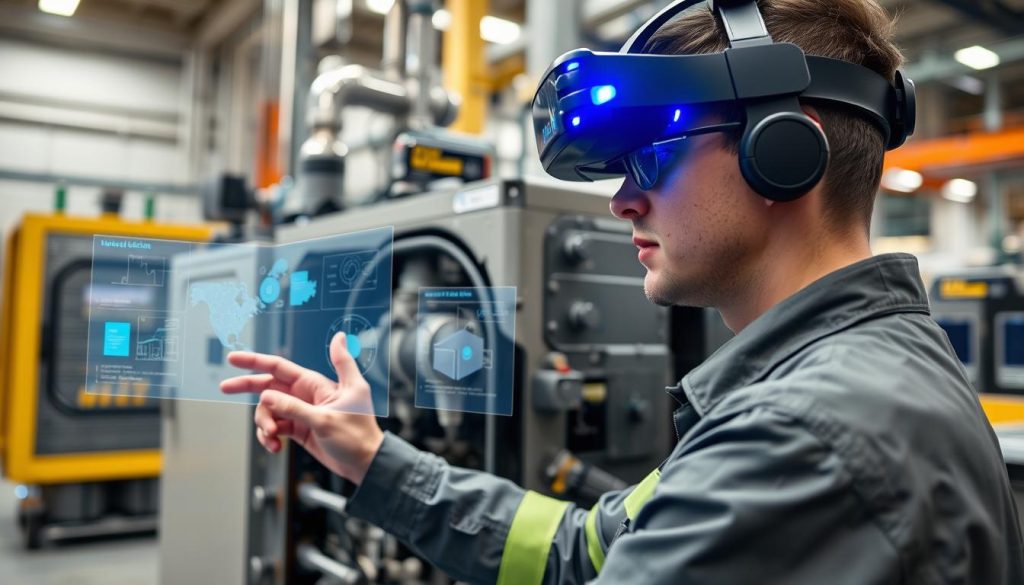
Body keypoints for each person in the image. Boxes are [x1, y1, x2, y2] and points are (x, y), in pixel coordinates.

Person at [221, 0, 1024, 583]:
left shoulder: (801, 438)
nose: (621, 200)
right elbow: (583, 548)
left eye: (652, 157)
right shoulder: (814, 393)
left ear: (783, 150)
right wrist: (371, 458)